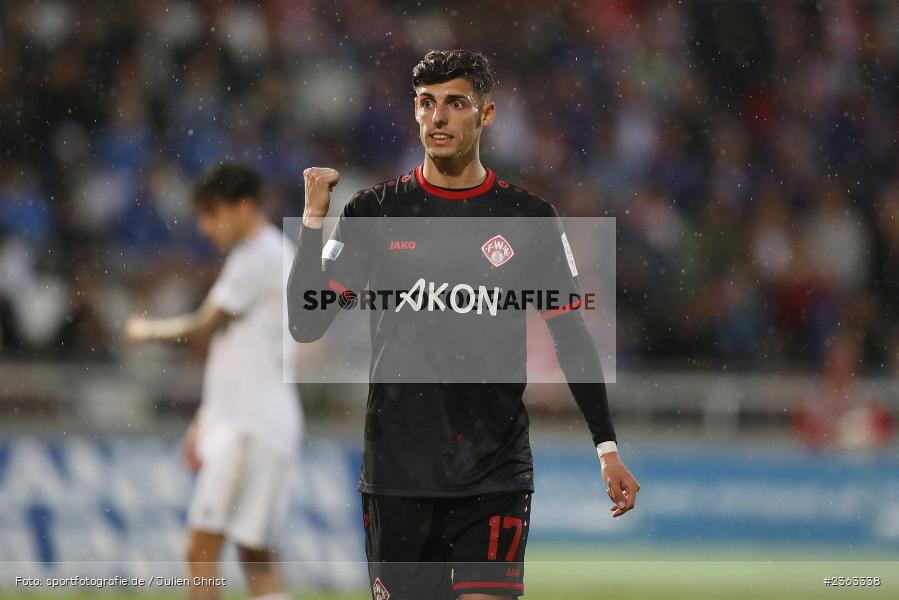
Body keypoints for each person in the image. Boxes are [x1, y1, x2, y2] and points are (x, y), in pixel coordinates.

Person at [288, 49, 639, 600]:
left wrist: (606, 446)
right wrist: (313, 222)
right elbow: (306, 323)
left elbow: (570, 335)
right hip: (399, 471)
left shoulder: (530, 220)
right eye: (426, 103)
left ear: (486, 114)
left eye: (455, 103)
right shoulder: (374, 212)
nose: (438, 117)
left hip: (494, 471)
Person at [126, 163, 301, 600]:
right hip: (260, 419)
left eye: (212, 213)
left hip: (248, 426)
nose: (205, 227)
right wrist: (206, 418)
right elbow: (241, 354)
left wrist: (147, 330)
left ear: (243, 206)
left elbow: (203, 329)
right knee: (256, 555)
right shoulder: (274, 253)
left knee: (200, 549)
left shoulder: (256, 256)